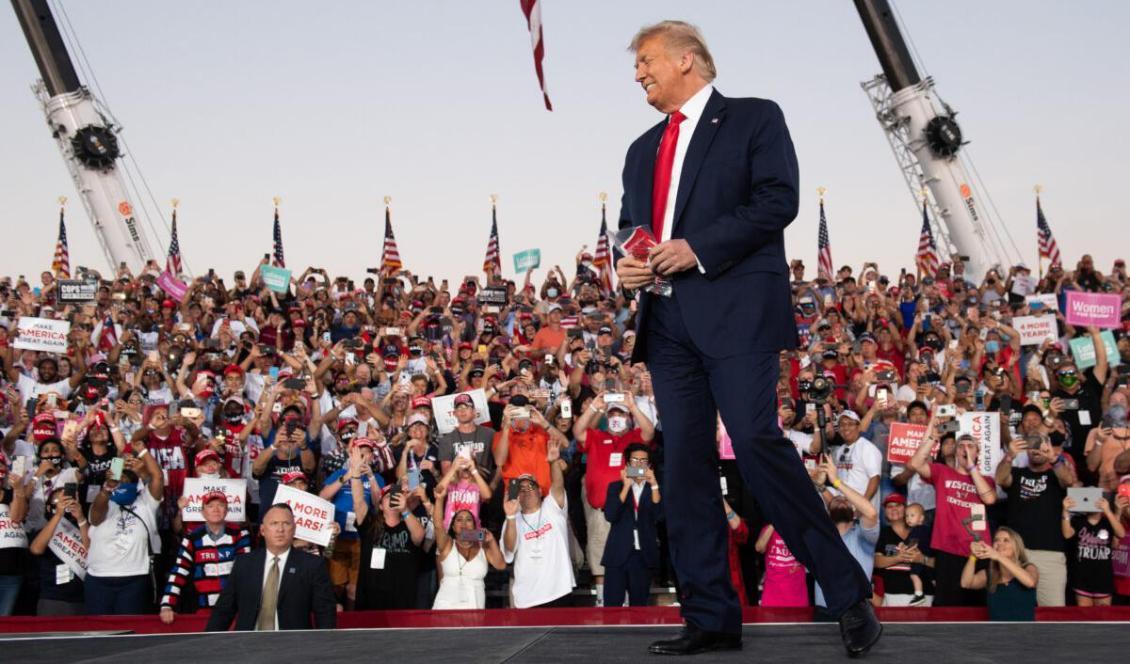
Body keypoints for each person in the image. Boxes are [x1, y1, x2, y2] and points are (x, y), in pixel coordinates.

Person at [615, 20, 878, 656]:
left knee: (758, 443)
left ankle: (846, 592)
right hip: (668, 323)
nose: (638, 75)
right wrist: (622, 265)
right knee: (685, 466)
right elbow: (631, 227)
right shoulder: (639, 148)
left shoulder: (755, 118)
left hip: (736, 312)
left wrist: (697, 249)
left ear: (687, 59)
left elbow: (777, 200)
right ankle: (710, 615)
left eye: (646, 62)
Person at [205, 503, 336, 631]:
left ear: (294, 529)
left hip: (294, 647)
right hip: (248, 645)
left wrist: (323, 648)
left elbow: (325, 613)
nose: (280, 529)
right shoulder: (243, 563)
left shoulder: (312, 565)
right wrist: (207, 644)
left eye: (286, 523)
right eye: (274, 523)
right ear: (262, 530)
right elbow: (224, 610)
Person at [996, 432, 1075, 606]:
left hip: (1050, 555)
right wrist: (1009, 455)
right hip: (1017, 553)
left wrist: (1053, 458)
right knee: (1013, 610)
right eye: (1032, 444)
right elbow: (1000, 478)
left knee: (1054, 614)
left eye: (1041, 444)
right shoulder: (1017, 473)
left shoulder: (1056, 475)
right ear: (1026, 449)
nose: (1037, 449)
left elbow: (1069, 480)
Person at [85, 448, 164, 615]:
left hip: (134, 578)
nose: (120, 482)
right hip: (99, 578)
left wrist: (142, 450)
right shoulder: (103, 502)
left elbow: (157, 477)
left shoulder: (145, 503)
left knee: (128, 633)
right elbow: (96, 517)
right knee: (98, 632)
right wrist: (107, 489)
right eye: (117, 480)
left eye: (125, 479)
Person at [501, 441, 575, 608]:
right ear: (517, 495)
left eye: (531, 486)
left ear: (541, 490)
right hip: (527, 597)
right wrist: (510, 517)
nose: (526, 490)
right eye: (521, 488)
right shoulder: (512, 519)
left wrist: (553, 462)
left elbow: (557, 484)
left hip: (559, 591)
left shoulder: (552, 507)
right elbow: (509, 549)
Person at [158, 491, 251, 623]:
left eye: (220, 505)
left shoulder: (240, 534)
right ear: (202, 512)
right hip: (203, 609)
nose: (216, 509)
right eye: (210, 506)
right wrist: (167, 605)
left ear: (227, 510)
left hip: (235, 608)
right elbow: (179, 571)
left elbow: (245, 572)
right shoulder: (192, 538)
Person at [813, 455, 880, 613]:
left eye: (846, 500)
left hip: (855, 612)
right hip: (823, 611)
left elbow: (870, 513)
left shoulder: (863, 537)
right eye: (837, 500)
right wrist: (819, 486)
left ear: (855, 512)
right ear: (828, 510)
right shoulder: (821, 536)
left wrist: (836, 482)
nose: (841, 499)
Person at [601, 442, 661, 607]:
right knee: (612, 606)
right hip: (618, 553)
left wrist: (654, 484)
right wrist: (626, 486)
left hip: (642, 555)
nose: (639, 465)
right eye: (635, 461)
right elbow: (610, 515)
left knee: (639, 606)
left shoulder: (654, 489)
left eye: (644, 461)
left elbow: (659, 515)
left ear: (649, 465)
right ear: (627, 464)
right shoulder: (615, 487)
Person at [430, 481, 506, 610]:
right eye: (459, 520)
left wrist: (491, 540)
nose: (464, 523)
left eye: (469, 520)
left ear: (475, 526)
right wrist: (439, 499)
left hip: (475, 606)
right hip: (446, 607)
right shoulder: (447, 544)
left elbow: (501, 565)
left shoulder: (483, 547)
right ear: (453, 527)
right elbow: (438, 525)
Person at [960, 527, 1039, 621]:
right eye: (996, 540)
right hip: (997, 633)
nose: (1000, 543)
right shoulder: (989, 574)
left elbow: (1030, 582)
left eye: (1006, 540)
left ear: (1017, 546)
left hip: (1025, 632)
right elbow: (965, 583)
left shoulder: (1028, 567)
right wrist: (973, 556)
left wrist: (998, 556)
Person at [1062, 494, 1127, 606]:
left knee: (1103, 618)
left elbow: (1121, 534)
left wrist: (1107, 510)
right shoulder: (1078, 521)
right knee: (1085, 617)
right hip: (1082, 578)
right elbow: (1067, 534)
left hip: (1103, 578)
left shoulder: (1108, 522)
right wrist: (1065, 511)